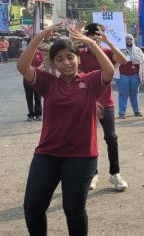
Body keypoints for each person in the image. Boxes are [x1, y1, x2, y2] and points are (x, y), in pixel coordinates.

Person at [17, 25, 115, 236]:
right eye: (59, 59)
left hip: (81, 156)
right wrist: (38, 38)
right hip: (47, 154)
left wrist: (91, 43)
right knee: (33, 207)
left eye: (70, 57)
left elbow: (109, 71)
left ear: (78, 58)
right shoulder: (48, 82)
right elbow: (23, 67)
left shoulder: (90, 81)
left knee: (74, 210)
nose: (66, 62)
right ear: (53, 63)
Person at [78, 23, 128, 191]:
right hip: (88, 102)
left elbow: (123, 60)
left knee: (111, 138)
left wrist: (108, 42)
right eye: (92, 36)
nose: (95, 39)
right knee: (88, 139)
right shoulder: (81, 54)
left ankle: (115, 174)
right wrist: (77, 36)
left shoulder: (106, 53)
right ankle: (93, 174)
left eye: (98, 36)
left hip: (106, 103)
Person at [115, 34, 144, 119]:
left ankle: (136, 111)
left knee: (134, 93)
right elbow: (115, 61)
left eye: (130, 39)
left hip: (134, 75)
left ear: (133, 40)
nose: (129, 40)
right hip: (122, 75)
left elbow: (143, 63)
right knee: (123, 94)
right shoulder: (119, 50)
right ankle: (122, 112)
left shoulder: (138, 50)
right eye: (127, 39)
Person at [23, 42, 44, 121]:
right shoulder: (25, 54)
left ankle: (38, 114)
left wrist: (36, 69)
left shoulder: (40, 53)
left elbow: (43, 63)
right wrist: (31, 70)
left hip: (37, 78)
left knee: (37, 97)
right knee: (29, 97)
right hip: (27, 78)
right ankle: (31, 114)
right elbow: (23, 65)